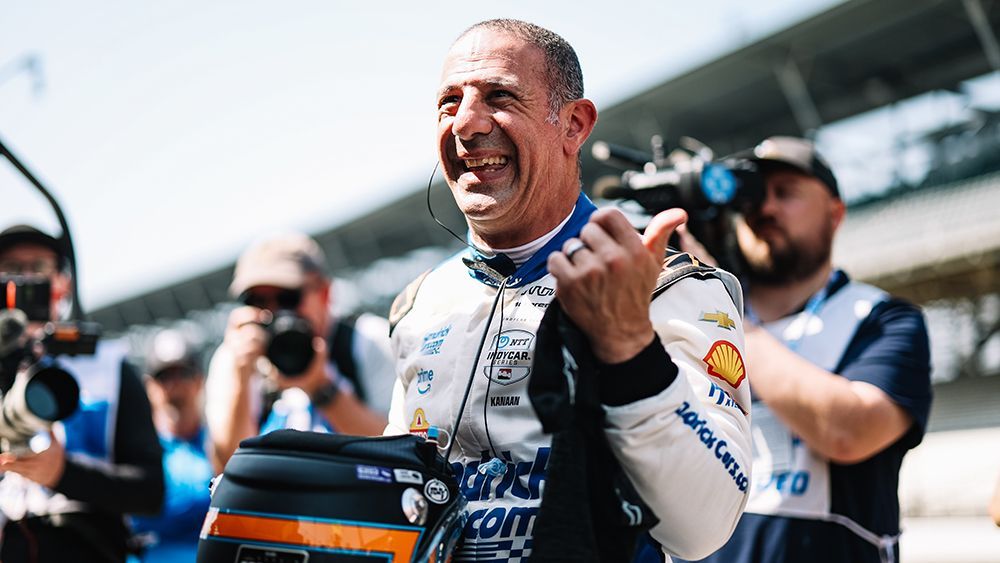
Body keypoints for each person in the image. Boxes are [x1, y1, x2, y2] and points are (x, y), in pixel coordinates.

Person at [385, 19, 752, 561]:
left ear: (574, 125)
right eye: (449, 102)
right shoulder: (416, 303)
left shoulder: (663, 283)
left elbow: (703, 529)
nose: (465, 122)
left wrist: (629, 347)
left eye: (500, 96)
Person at [676, 137, 933, 563]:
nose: (765, 208)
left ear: (835, 214)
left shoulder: (882, 318)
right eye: (754, 195)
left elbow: (849, 432)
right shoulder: (685, 313)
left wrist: (719, 312)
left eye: (786, 192)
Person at [0, 225, 164, 563]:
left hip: (88, 547)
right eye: (13, 270)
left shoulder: (108, 364)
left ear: (64, 283)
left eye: (40, 269)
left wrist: (62, 474)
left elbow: (151, 491)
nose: (28, 280)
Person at [205, 232, 393, 472]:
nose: (273, 313)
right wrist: (241, 379)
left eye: (288, 298)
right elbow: (227, 467)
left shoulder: (369, 340)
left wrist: (322, 390)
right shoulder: (233, 358)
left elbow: (398, 448)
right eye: (257, 301)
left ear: (324, 293)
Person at [130, 328, 213, 562]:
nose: (174, 384)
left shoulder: (220, 446)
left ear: (199, 380)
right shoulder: (136, 453)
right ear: (149, 386)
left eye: (183, 373)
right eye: (164, 376)